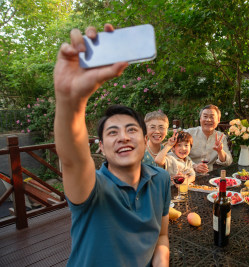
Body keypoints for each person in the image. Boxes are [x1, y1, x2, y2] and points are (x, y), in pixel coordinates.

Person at [54, 24, 170, 266]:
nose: (123, 137)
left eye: (131, 130)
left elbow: (161, 235)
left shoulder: (161, 179)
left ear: (145, 140)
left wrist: (162, 260)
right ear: (102, 148)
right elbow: (73, 160)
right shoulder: (92, 188)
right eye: (112, 133)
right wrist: (69, 100)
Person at [185, 104, 233, 173]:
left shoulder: (221, 137)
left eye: (212, 117)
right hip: (187, 173)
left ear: (218, 120)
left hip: (208, 175)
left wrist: (220, 151)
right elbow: (177, 154)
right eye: (205, 116)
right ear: (200, 119)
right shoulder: (189, 133)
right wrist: (194, 166)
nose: (208, 120)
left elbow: (228, 162)